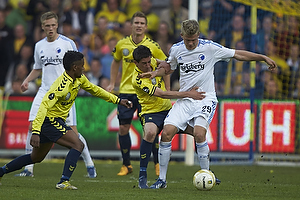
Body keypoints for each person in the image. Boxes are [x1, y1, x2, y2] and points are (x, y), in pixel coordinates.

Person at [138, 19, 277, 189]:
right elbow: (169, 67)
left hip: (205, 98)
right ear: (182, 36)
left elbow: (237, 54)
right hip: (186, 100)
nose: (190, 44)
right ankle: (162, 180)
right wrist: (155, 73)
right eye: (187, 40)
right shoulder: (176, 49)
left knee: (199, 133)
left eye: (194, 40)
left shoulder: (210, 47)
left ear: (198, 36)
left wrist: (262, 57)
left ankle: (207, 173)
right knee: (166, 133)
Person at [0, 50, 132, 189]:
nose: (84, 68)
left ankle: (1, 171)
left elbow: (96, 90)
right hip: (49, 121)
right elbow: (44, 106)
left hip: (56, 121)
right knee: (78, 145)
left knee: (36, 158)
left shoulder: (79, 79)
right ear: (75, 67)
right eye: (82, 65)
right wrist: (36, 131)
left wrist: (117, 100)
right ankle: (63, 181)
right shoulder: (60, 86)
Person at [16, 11, 97, 178]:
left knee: (73, 132)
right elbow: (38, 68)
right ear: (42, 27)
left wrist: (83, 84)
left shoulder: (68, 43)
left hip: (65, 93)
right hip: (45, 91)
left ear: (57, 25)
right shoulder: (39, 46)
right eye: (47, 26)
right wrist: (26, 80)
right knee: (32, 126)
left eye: (53, 25)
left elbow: (79, 65)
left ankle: (89, 163)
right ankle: (28, 169)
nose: (51, 28)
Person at [132, 45, 205, 189]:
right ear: (135, 63)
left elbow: (167, 66)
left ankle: (207, 170)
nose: (148, 66)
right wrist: (188, 94)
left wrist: (167, 80)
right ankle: (142, 175)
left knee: (198, 132)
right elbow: (163, 94)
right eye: (144, 64)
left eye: (149, 62)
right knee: (151, 133)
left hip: (167, 109)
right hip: (150, 112)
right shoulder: (137, 79)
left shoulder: (153, 61)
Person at [106, 11, 169, 176]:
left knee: (150, 129)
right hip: (126, 92)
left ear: (146, 27)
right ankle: (126, 165)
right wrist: (113, 83)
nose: (139, 26)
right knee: (123, 128)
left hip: (146, 92)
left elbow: (166, 67)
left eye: (142, 23)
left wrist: (167, 90)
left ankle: (156, 164)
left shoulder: (153, 46)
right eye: (136, 23)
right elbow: (115, 61)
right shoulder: (122, 44)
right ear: (131, 25)